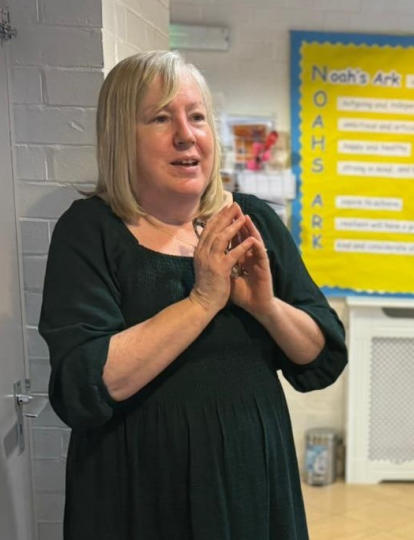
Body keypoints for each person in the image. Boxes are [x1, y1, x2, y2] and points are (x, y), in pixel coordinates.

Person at [38, 51, 348, 540]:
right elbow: (87, 382)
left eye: (197, 116)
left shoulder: (252, 221)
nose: (187, 135)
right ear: (122, 135)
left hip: (251, 482)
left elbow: (319, 353)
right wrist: (202, 301)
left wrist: (265, 307)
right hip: (139, 493)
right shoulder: (90, 231)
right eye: (161, 118)